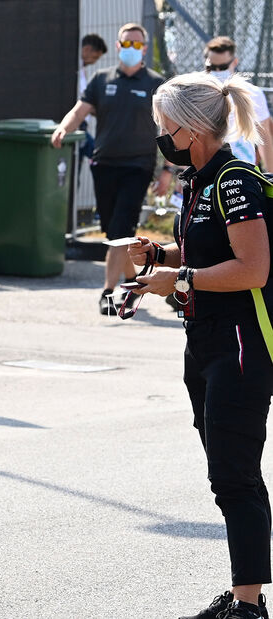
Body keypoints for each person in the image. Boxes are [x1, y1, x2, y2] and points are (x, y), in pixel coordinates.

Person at [127, 71, 273, 619]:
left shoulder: (235, 179)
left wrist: (181, 279)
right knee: (231, 472)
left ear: (190, 130)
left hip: (242, 342)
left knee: (233, 474)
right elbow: (204, 250)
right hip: (205, 340)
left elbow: (253, 269)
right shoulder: (200, 179)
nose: (161, 137)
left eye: (164, 127)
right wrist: (161, 256)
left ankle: (249, 607)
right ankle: (248, 596)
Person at [51, 23, 172, 315]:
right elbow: (79, 110)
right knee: (116, 232)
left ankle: (108, 292)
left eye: (137, 44)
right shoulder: (101, 79)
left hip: (138, 166)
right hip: (104, 164)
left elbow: (169, 125)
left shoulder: (155, 83)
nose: (132, 49)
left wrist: (167, 169)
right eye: (126, 44)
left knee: (120, 230)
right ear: (118, 47)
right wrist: (64, 129)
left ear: (144, 48)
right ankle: (133, 281)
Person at [204, 36, 273, 169]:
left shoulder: (252, 93)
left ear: (234, 62)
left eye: (223, 67)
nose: (217, 71)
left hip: (242, 167)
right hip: (207, 167)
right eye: (212, 67)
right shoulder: (197, 92)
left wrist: (271, 175)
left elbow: (264, 136)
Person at [77, 34, 108, 162]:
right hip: (77, 124)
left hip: (82, 124)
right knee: (99, 156)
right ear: (87, 49)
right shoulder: (74, 69)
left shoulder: (82, 70)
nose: (94, 61)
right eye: (95, 57)